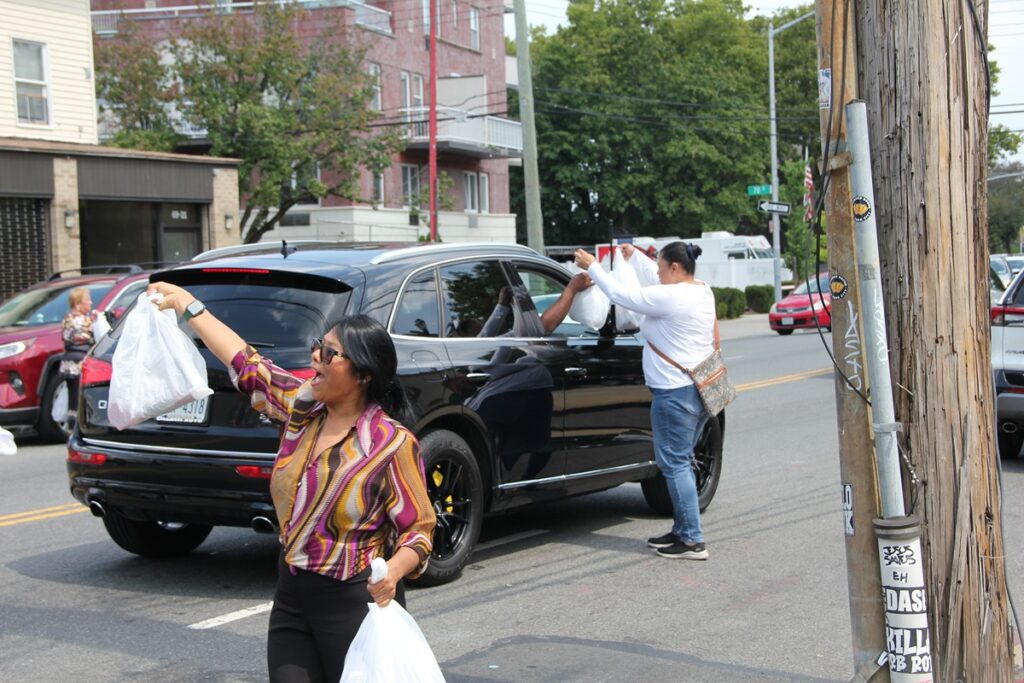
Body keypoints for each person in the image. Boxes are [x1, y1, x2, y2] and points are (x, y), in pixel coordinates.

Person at [146, 281, 437, 683]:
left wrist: (393, 572)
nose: (315, 355)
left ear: (363, 374)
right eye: (320, 344)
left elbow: (418, 530)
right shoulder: (303, 411)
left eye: (330, 353)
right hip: (292, 597)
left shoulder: (391, 444)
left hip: (354, 602)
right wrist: (189, 306)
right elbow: (249, 365)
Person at [574, 242, 719, 560]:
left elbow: (624, 296)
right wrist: (636, 258)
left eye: (661, 267)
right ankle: (682, 530)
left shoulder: (671, 297)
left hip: (674, 393)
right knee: (679, 460)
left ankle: (692, 539)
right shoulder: (701, 290)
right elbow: (654, 286)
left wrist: (593, 267)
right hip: (695, 388)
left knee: (674, 464)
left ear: (676, 268)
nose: (657, 272)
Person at [60, 287, 96, 424]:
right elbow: (94, 337)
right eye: (87, 300)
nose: (90, 302)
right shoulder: (84, 320)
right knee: (82, 393)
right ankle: (81, 421)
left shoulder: (66, 319)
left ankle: (71, 417)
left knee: (72, 393)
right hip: (81, 360)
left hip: (68, 360)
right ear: (77, 303)